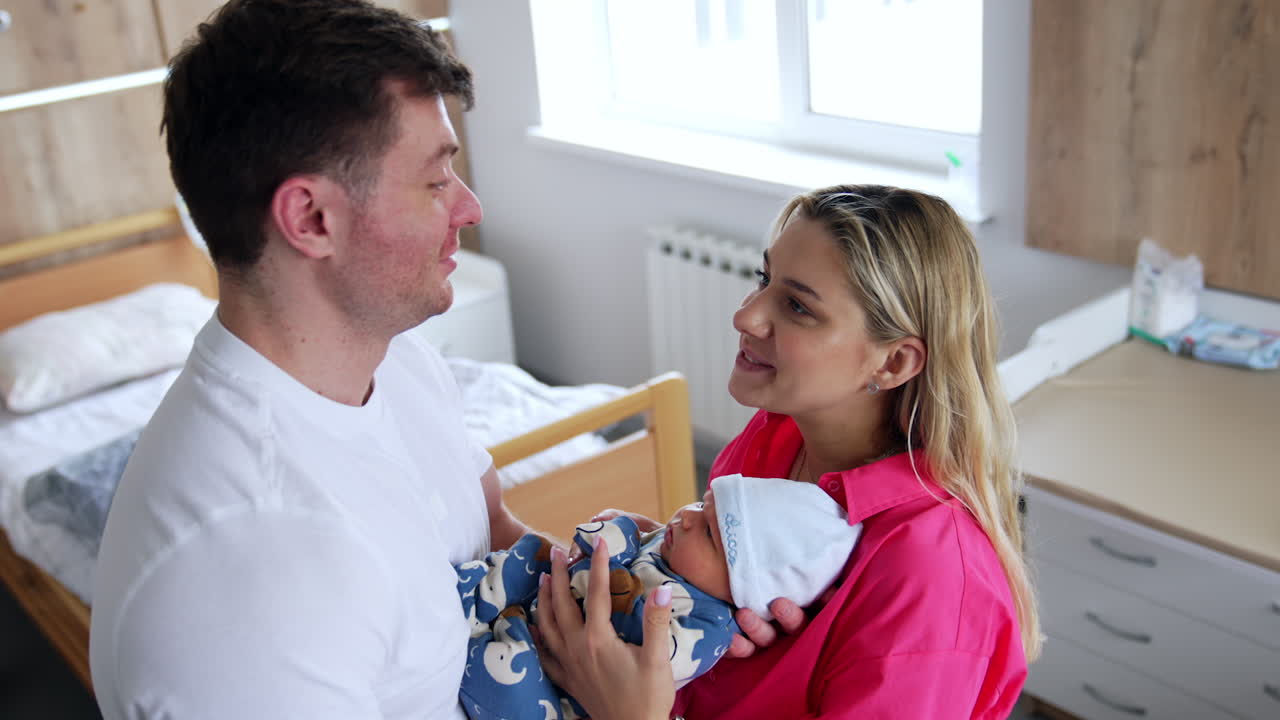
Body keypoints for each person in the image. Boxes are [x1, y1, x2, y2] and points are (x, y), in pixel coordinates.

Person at [89, 2, 667, 718]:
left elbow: (489, 528)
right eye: (435, 181)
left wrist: (622, 592)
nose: (470, 208)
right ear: (311, 219)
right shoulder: (253, 577)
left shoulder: (397, 360)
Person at [535, 184, 1040, 719]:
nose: (746, 317)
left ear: (893, 363)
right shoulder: (776, 436)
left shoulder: (933, 578)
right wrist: (662, 561)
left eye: (798, 306)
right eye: (763, 279)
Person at [456, 474, 862, 720]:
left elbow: (656, 654)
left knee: (514, 688)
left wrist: (613, 568)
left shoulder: (708, 625)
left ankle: (471, 650)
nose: (686, 517)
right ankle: (472, 598)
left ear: (742, 589)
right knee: (531, 555)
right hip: (553, 603)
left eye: (708, 532)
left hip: (560, 681)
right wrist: (615, 533)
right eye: (702, 502)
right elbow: (612, 541)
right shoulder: (669, 548)